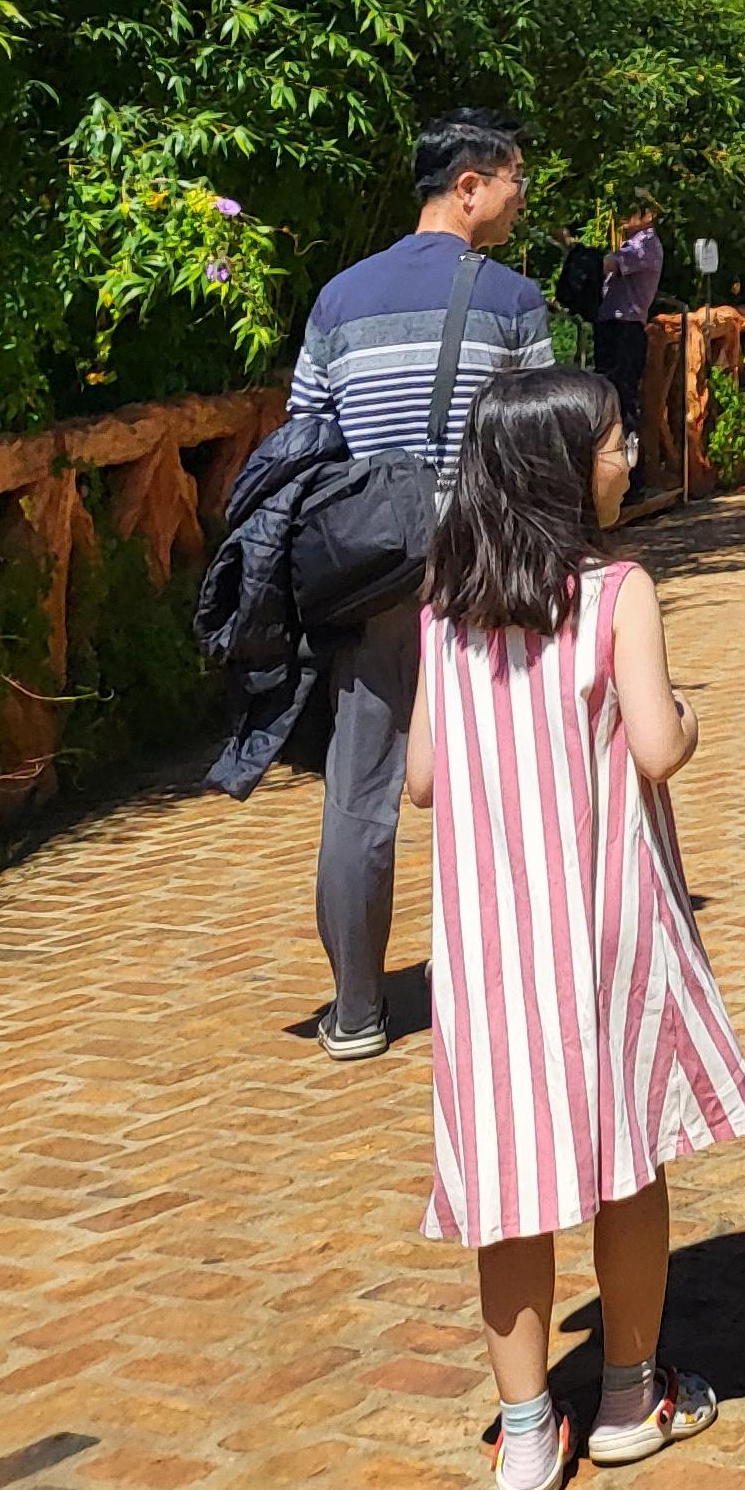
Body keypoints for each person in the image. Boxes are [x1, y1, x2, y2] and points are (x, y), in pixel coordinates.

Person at [404, 362, 745, 1490]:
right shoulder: (616, 594)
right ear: (565, 470)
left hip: (491, 944)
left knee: (505, 1179)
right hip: (604, 925)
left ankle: (523, 1432)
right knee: (624, 1158)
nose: (629, 457)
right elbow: (657, 748)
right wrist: (694, 713)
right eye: (613, 442)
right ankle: (623, 1397)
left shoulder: (442, 607)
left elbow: (418, 777)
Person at [284, 109, 556, 1061]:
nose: (524, 193)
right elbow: (540, 450)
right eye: (517, 176)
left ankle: (356, 1011)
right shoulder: (514, 302)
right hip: (484, 567)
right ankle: (498, 994)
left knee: (360, 793)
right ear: (470, 186)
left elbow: (304, 443)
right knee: (497, 779)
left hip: (370, 573)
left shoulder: (338, 300)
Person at [593, 205, 663, 440]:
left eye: (632, 210)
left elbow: (607, 265)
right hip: (614, 328)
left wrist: (582, 258)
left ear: (649, 214)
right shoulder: (631, 243)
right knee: (608, 397)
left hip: (625, 330)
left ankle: (628, 464)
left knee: (621, 399)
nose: (623, 214)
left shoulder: (645, 245)